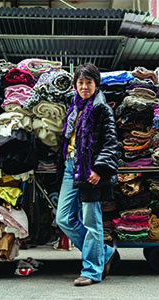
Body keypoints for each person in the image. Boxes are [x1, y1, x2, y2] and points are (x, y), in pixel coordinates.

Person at [56, 63, 120, 286]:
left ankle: (92, 270)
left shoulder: (102, 109)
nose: (84, 86)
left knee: (92, 222)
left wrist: (99, 170)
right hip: (70, 167)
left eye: (89, 82)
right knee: (63, 218)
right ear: (75, 85)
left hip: (90, 170)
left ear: (96, 84)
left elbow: (111, 143)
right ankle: (104, 252)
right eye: (80, 82)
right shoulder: (74, 108)